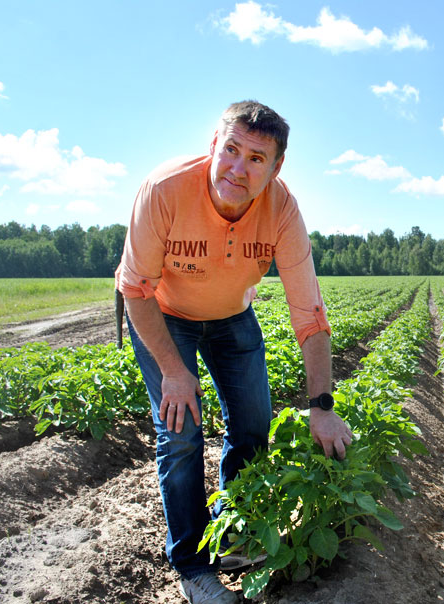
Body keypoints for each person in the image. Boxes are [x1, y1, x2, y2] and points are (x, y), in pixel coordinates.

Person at [115, 100, 353, 604]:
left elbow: (310, 315)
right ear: (213, 146)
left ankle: (232, 534)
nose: (238, 169)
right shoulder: (164, 189)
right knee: (180, 433)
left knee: (252, 424)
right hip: (163, 313)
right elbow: (135, 290)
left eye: (256, 159)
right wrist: (174, 371)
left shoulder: (282, 210)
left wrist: (322, 406)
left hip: (231, 316)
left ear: (276, 168)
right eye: (231, 150)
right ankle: (192, 566)